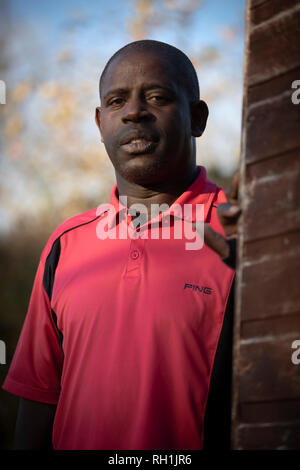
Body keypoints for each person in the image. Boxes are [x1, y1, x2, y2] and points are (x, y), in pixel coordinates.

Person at [2, 40, 241, 450]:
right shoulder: (65, 245)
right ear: (100, 124)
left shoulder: (242, 231)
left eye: (157, 96)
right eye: (116, 101)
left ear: (196, 118)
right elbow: (39, 400)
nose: (134, 111)